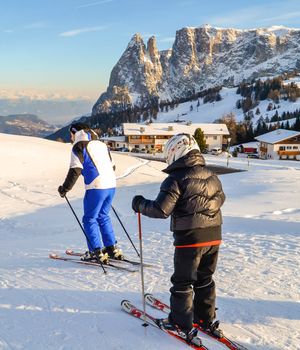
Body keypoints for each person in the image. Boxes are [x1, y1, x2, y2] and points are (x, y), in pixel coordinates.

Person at [132, 133, 225, 345]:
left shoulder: (176, 179)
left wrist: (139, 204)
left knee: (183, 281)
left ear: (175, 153)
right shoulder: (212, 175)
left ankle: (181, 323)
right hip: (214, 235)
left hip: (190, 238)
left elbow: (161, 209)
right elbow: (221, 199)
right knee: (205, 278)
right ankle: (205, 317)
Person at [58, 122, 123, 264]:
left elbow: (76, 169)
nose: (70, 137)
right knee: (103, 216)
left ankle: (96, 251)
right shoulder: (101, 144)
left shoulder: (79, 146)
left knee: (89, 219)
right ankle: (112, 249)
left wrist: (65, 188)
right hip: (111, 185)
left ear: (75, 132)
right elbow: (113, 166)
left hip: (96, 187)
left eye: (71, 134)